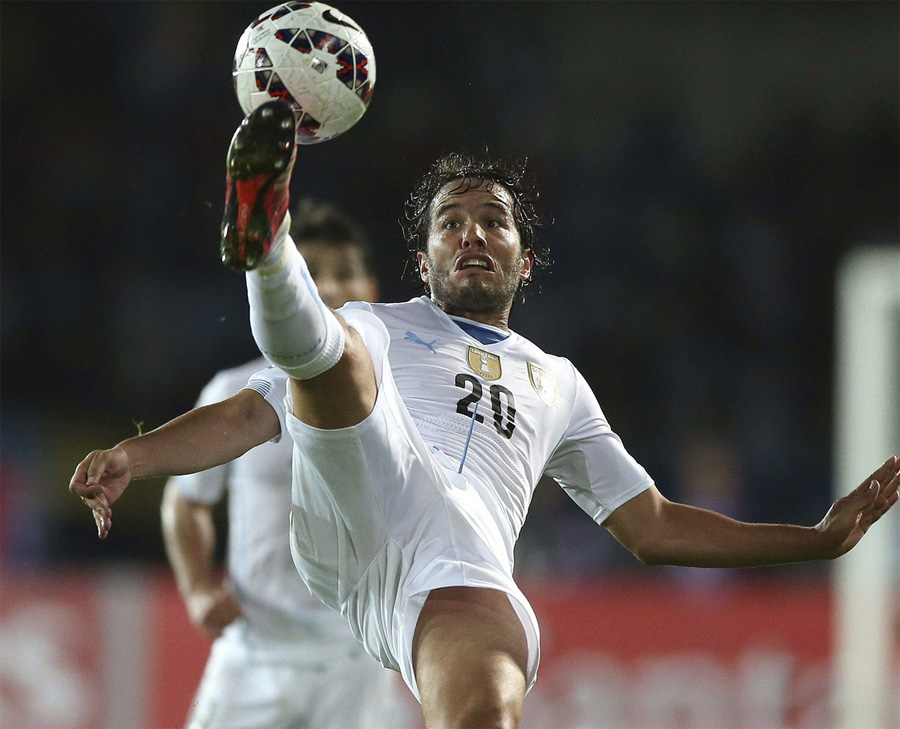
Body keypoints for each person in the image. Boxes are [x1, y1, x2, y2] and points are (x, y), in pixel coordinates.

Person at [71, 101, 900, 729]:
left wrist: (815, 539)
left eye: (493, 220)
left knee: (485, 713)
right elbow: (250, 416)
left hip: (454, 576)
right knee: (333, 357)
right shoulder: (382, 323)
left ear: (523, 258)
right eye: (450, 222)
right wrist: (136, 457)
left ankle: (269, 245)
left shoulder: (560, 382)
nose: (472, 231)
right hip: (360, 504)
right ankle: (266, 239)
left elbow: (650, 525)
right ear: (424, 259)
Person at [164, 198, 398, 729]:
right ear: (285, 287)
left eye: (345, 274)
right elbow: (186, 501)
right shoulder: (233, 392)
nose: (331, 288)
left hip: (356, 654)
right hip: (253, 647)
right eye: (311, 273)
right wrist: (199, 588)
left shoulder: (403, 401)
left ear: (373, 295)